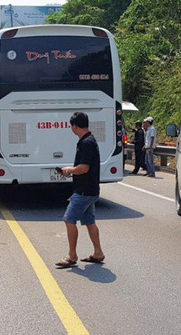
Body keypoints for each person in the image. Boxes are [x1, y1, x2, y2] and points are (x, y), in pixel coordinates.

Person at [55, 112, 105, 268]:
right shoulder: (88, 140)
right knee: (89, 221)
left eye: (71, 126)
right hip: (90, 190)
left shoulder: (86, 143)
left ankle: (71, 255)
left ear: (75, 126)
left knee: (69, 219)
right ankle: (98, 253)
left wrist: (69, 170)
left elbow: (83, 168)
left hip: (83, 191)